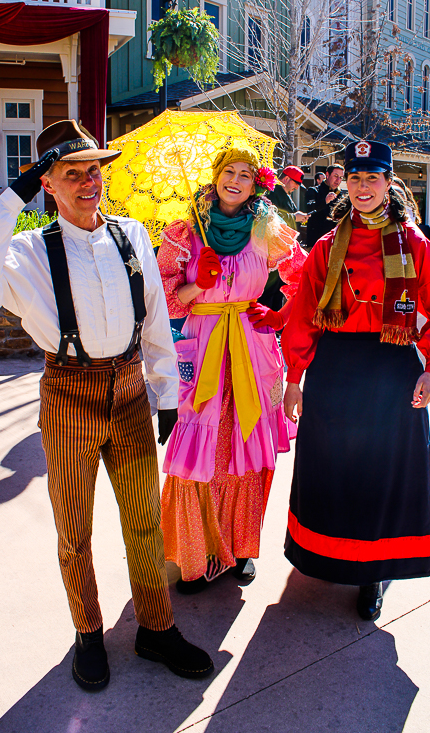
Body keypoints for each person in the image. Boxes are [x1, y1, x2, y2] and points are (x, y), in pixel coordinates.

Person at [0, 119, 213, 691]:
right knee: (75, 525)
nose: (89, 181)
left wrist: (166, 392)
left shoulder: (131, 235)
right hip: (68, 392)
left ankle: (155, 628)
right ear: (47, 183)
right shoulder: (24, 253)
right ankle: (88, 633)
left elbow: (155, 323)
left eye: (94, 169)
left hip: (128, 389)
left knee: (143, 520)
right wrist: (10, 200)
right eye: (72, 173)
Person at [282, 140, 430, 622]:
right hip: (335, 370)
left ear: (389, 183)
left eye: (373, 178)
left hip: (390, 371)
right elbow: (303, 313)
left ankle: (374, 574)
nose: (363, 187)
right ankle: (328, 555)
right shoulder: (326, 245)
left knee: (382, 474)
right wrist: (294, 376)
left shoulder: (414, 243)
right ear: (347, 182)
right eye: (355, 178)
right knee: (334, 467)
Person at [157, 147, 306, 593]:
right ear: (216, 176)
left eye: (245, 173)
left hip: (253, 346)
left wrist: (280, 314)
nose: (235, 180)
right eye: (228, 172)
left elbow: (308, 280)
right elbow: (162, 299)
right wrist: (194, 284)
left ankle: (241, 547)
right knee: (197, 456)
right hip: (201, 349)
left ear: (256, 183)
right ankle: (197, 552)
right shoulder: (185, 232)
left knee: (246, 452)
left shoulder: (268, 229)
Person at [260, 165, 307, 311]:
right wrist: (294, 217)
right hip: (274, 250)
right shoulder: (273, 192)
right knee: (270, 291)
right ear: (286, 178)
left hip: (283, 251)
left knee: (279, 289)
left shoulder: (284, 194)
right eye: (296, 183)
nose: (297, 188)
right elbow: (270, 217)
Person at [305, 163, 344, 249]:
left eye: (341, 177)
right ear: (327, 175)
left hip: (334, 243)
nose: (338, 180)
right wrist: (325, 201)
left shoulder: (340, 195)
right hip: (316, 242)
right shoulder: (313, 191)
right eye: (335, 176)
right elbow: (308, 209)